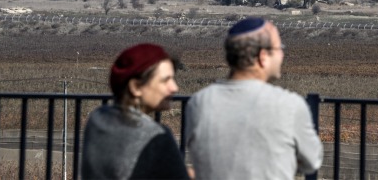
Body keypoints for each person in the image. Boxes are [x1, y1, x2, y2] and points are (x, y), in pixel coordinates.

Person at [185, 17, 323, 179]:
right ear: (263, 56)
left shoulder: (199, 102)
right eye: (279, 48)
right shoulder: (289, 105)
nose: (282, 54)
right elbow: (312, 161)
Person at [82, 43, 189, 179]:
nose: (174, 88)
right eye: (165, 80)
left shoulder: (97, 118)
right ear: (136, 87)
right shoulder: (157, 137)